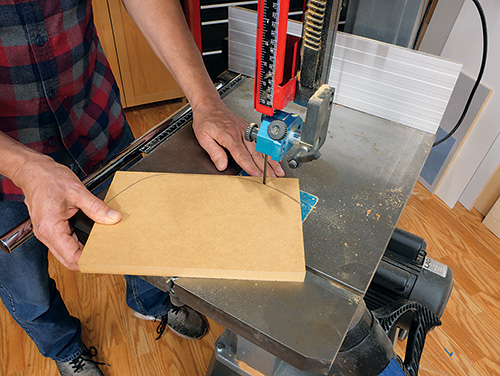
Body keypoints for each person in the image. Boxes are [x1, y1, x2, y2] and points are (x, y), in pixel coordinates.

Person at [0, 0, 283, 375]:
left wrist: (205, 100)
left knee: (144, 237)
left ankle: (151, 302)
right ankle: (64, 348)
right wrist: (22, 165)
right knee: (26, 286)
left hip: (95, 118)